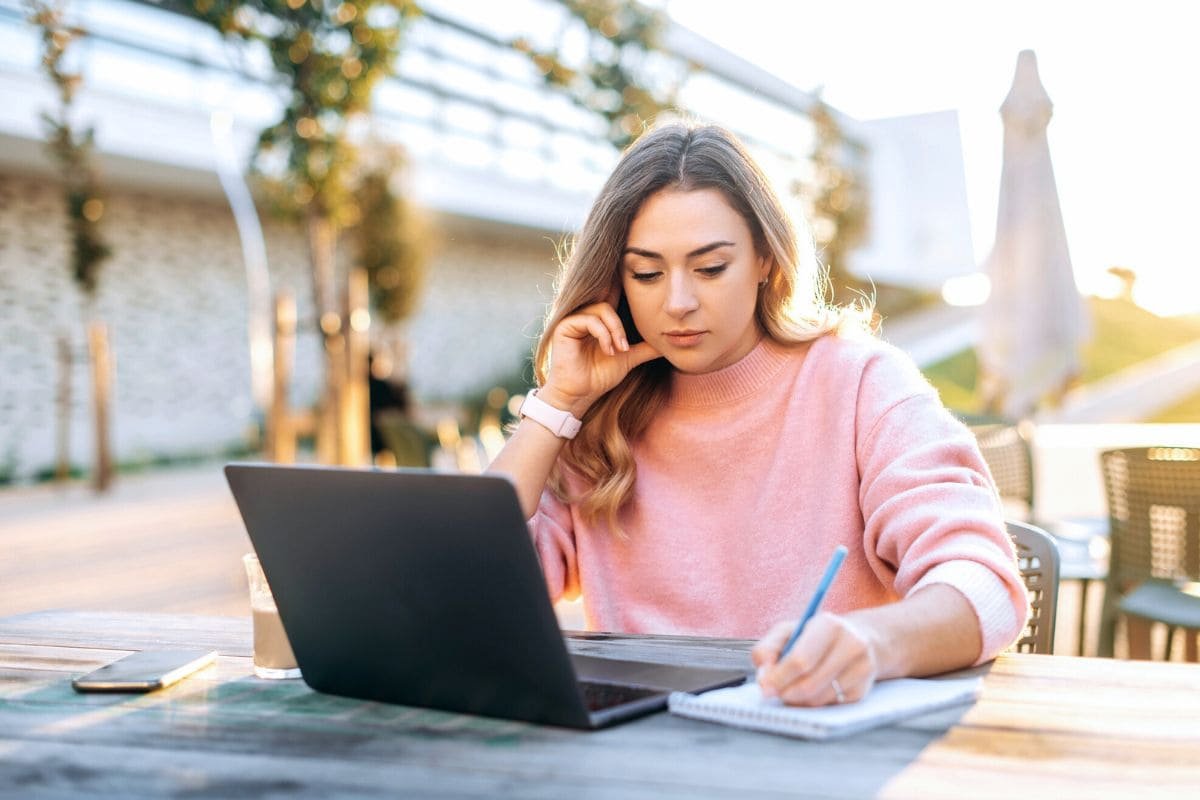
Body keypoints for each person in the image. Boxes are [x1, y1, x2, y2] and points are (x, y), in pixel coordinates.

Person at [487, 123, 1027, 708]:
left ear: (766, 258)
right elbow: (468, 590)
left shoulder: (861, 383)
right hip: (638, 749)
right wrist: (557, 405)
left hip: (806, 740)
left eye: (711, 267)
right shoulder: (597, 415)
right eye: (646, 273)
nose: (677, 302)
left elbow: (984, 585)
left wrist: (870, 643)